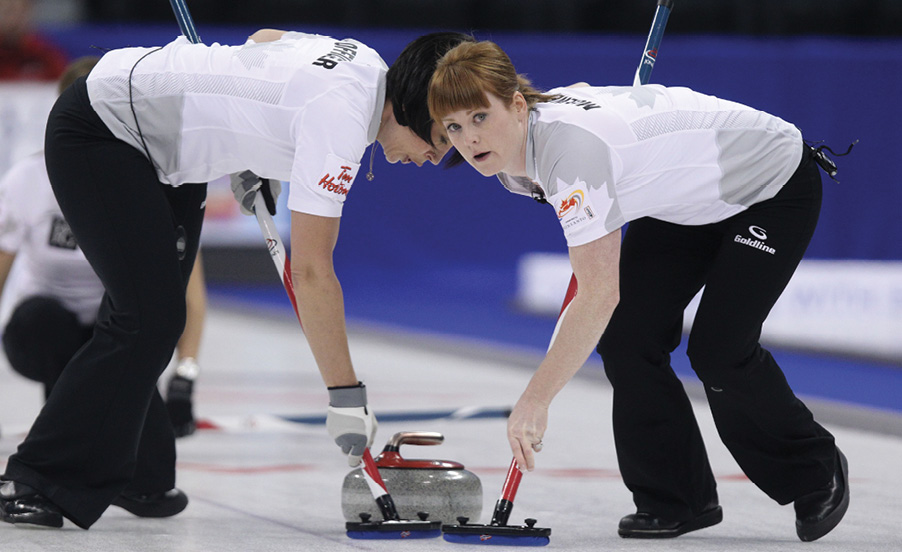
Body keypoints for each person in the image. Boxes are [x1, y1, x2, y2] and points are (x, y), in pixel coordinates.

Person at [0, 29, 473, 530]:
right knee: (148, 316)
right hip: (106, 127)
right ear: (415, 108)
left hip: (166, 151)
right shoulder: (344, 122)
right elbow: (312, 271)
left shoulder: (366, 61)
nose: (432, 157)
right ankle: (34, 477)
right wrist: (344, 395)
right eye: (440, 139)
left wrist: (254, 152)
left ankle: (136, 473)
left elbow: (263, 40)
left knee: (153, 317)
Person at [428, 40, 849, 542]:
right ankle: (678, 498)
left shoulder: (572, 153)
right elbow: (581, 96)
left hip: (767, 184)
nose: (469, 139)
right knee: (627, 337)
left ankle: (815, 469)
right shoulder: (519, 147)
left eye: (480, 116)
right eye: (454, 127)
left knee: (719, 348)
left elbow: (599, 292)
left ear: (518, 104)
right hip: (683, 202)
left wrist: (536, 398)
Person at [0, 0, 67, 80]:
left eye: (21, 12)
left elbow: (62, 82)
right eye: (8, 11)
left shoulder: (44, 53)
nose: (14, 19)